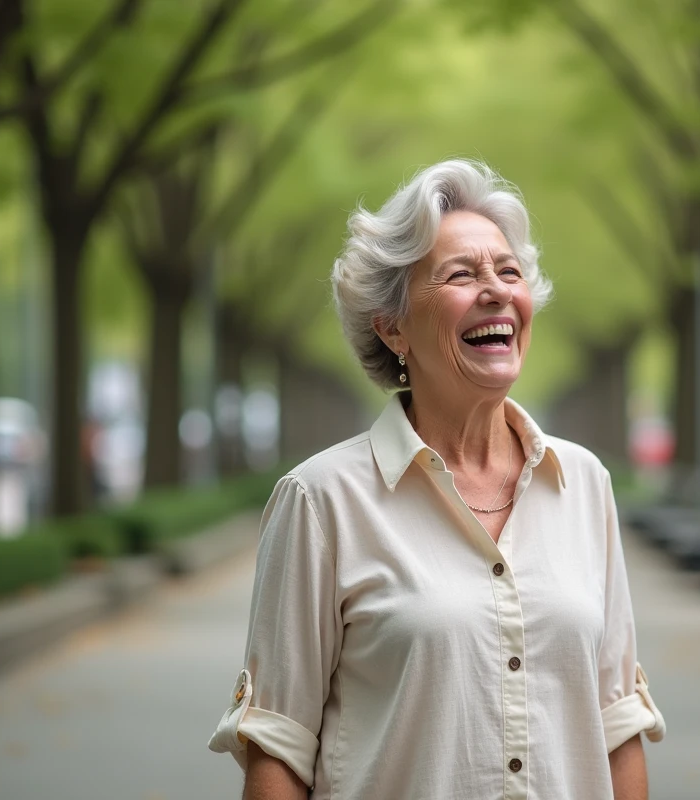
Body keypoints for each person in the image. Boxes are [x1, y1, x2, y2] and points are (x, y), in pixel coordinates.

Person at [208, 159, 665, 799]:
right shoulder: (320, 502)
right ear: (392, 325)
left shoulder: (583, 483)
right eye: (461, 274)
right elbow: (278, 754)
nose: (497, 289)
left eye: (509, 271)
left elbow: (618, 729)